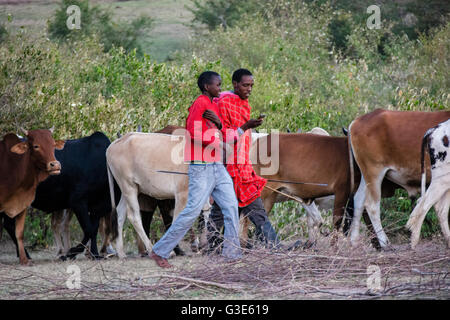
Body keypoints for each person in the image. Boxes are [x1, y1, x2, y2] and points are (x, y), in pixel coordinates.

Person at [150, 71, 242, 268]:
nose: (220, 87)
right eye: (217, 84)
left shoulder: (215, 104)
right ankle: (159, 251)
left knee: (231, 206)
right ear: (207, 87)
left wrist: (218, 127)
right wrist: (216, 136)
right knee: (192, 211)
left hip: (216, 164)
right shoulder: (200, 103)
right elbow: (192, 132)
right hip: (201, 166)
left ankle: (232, 254)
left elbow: (222, 130)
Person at [206, 68, 282, 253]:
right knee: (234, 209)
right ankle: (276, 248)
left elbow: (242, 136)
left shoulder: (244, 105)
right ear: (235, 84)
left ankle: (213, 249)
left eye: (251, 86)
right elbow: (222, 135)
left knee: (224, 209)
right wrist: (246, 126)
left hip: (242, 165)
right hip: (226, 164)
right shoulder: (223, 103)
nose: (249, 89)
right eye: (245, 85)